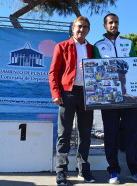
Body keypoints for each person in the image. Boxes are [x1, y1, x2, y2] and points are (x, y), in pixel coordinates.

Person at [93, 13, 137, 185]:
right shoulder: (98, 45)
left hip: (128, 96)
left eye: (116, 22)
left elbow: (135, 67)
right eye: (110, 22)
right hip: (108, 97)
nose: (113, 25)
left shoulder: (128, 43)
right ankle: (113, 172)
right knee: (111, 135)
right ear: (105, 25)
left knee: (132, 134)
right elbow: (94, 70)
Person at [49, 16, 95, 185]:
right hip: (67, 94)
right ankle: (61, 172)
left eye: (84, 27)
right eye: (78, 26)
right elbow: (53, 72)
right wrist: (56, 93)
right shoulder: (61, 46)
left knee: (85, 135)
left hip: (88, 94)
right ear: (73, 28)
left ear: (88, 30)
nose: (81, 30)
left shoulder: (92, 49)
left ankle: (83, 170)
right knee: (64, 135)